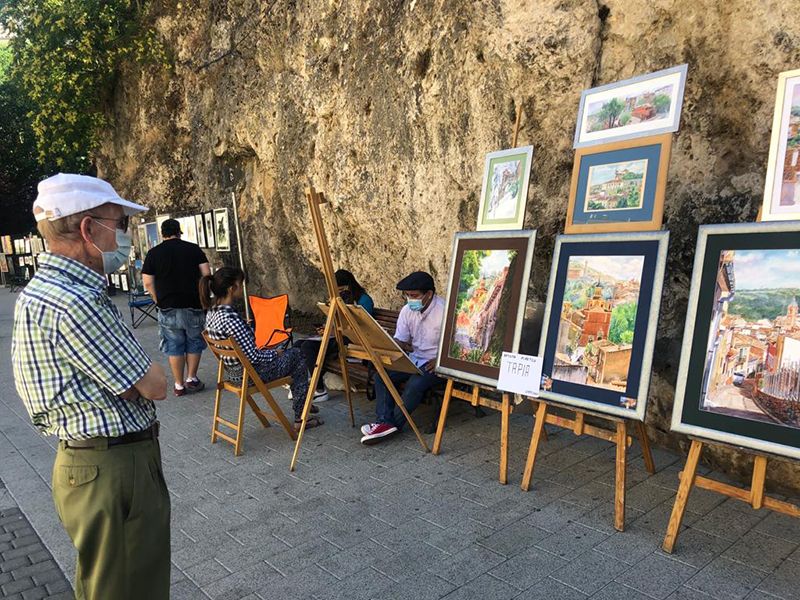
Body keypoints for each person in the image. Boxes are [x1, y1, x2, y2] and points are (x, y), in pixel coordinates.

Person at [11, 173, 170, 600]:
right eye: (119, 226)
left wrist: (128, 381)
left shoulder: (41, 292)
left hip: (92, 463)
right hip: (115, 467)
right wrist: (137, 378)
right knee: (131, 589)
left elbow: (131, 382)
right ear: (87, 229)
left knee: (109, 584)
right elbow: (155, 385)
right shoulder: (75, 300)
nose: (124, 237)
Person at [202, 267, 324, 429]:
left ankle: (303, 403)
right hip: (251, 375)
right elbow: (253, 357)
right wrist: (275, 353)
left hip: (233, 374)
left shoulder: (211, 313)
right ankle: (302, 416)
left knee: (291, 355)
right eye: (240, 284)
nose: (242, 287)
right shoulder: (231, 319)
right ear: (232, 289)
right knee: (297, 355)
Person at [361, 271, 445, 444]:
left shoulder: (444, 310)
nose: (409, 299)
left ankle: (394, 426)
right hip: (414, 358)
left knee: (415, 383)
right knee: (381, 376)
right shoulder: (408, 310)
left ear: (429, 294)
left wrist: (440, 361)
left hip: (437, 363)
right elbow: (402, 339)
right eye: (406, 295)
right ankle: (384, 421)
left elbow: (459, 345)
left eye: (414, 295)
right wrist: (387, 342)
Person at [142, 218, 210, 396]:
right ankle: (191, 378)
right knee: (194, 341)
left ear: (162, 234)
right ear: (179, 232)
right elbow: (206, 274)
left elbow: (148, 282)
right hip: (193, 304)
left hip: (167, 306)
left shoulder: (153, 253)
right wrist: (204, 298)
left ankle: (179, 385)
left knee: (174, 345)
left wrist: (159, 300)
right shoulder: (193, 249)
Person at [298, 269, 375, 402]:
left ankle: (320, 389)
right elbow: (337, 322)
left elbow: (359, 325)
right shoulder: (340, 298)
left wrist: (336, 326)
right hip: (338, 335)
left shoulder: (364, 300)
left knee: (308, 347)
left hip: (352, 339)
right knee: (298, 344)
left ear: (348, 286)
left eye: (340, 289)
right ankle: (303, 381)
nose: (338, 291)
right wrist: (327, 327)